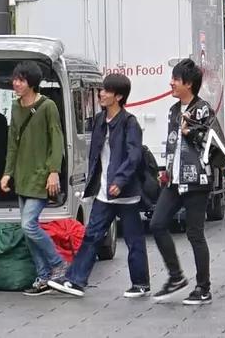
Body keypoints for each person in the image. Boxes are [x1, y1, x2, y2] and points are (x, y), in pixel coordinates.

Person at [52, 73, 150, 298]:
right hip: (104, 192)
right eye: (102, 90)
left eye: (106, 91)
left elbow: (134, 155)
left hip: (125, 194)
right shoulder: (99, 120)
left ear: (119, 96)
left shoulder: (129, 122)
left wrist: (120, 180)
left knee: (134, 239)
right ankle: (76, 281)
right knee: (92, 235)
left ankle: (141, 283)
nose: (101, 94)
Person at [149, 58, 218, 305]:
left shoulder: (203, 109)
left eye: (175, 80)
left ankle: (203, 287)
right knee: (157, 223)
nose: (171, 83)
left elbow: (211, 143)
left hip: (198, 180)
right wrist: (166, 169)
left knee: (194, 233)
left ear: (188, 84)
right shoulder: (173, 110)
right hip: (175, 179)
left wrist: (192, 132)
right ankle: (176, 275)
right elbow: (172, 143)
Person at [0, 60, 70, 295]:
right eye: (15, 79)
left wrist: (53, 171)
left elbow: (57, 139)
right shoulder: (16, 106)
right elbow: (12, 143)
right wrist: (7, 173)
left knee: (28, 225)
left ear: (32, 83)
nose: (15, 83)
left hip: (41, 176)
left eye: (20, 80)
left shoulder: (48, 106)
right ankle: (43, 277)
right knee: (30, 229)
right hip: (22, 175)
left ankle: (58, 264)